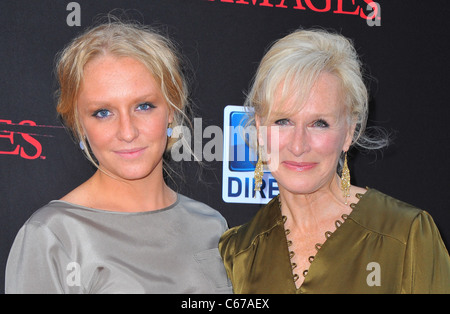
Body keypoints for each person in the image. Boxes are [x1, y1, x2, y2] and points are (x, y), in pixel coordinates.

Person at [5, 19, 232, 294]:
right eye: (103, 112)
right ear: (80, 124)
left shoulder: (210, 225)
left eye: (144, 106)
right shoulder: (53, 236)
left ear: (171, 110)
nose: (127, 132)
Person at [219, 28, 450, 294]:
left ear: (349, 132)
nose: (298, 145)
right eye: (283, 121)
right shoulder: (238, 252)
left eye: (319, 123)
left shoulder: (405, 236)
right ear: (260, 129)